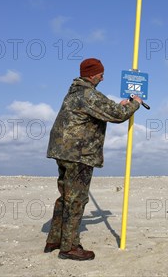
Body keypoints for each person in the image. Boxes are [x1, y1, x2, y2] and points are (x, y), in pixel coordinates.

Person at [44, 58, 144, 261]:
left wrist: (119, 104)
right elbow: (117, 114)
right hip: (79, 154)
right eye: (100, 74)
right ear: (92, 74)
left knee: (66, 197)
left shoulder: (74, 92)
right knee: (76, 199)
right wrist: (135, 104)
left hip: (63, 152)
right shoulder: (88, 94)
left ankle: (55, 239)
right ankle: (70, 247)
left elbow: (100, 109)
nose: (103, 77)